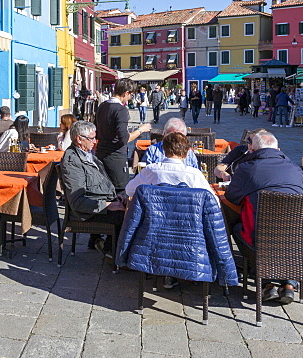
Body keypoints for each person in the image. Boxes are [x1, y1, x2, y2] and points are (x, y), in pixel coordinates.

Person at [223, 130, 303, 304]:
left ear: (253, 151)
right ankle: (289, 283)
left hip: (261, 239)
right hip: (298, 239)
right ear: (278, 149)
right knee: (283, 235)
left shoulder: (247, 169)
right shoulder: (296, 169)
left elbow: (232, 197)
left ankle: (267, 283)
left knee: (239, 228)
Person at [124, 131, 213, 288]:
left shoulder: (151, 170)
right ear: (187, 153)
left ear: (163, 150)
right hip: (188, 233)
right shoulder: (194, 175)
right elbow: (213, 203)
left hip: (154, 230)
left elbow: (130, 190)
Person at [58, 120, 125, 256]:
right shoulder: (72, 162)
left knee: (129, 206)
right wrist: (107, 205)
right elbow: (77, 202)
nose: (95, 141)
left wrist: (113, 197)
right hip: (86, 212)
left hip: (97, 202)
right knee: (126, 216)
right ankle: (111, 251)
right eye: (92, 138)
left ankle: (106, 245)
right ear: (79, 139)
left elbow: (97, 183)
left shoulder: (87, 155)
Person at [95, 78, 151, 191]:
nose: (130, 98)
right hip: (115, 156)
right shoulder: (120, 110)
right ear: (126, 93)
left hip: (100, 153)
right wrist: (141, 130)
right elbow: (124, 138)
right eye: (130, 95)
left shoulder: (102, 106)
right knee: (120, 191)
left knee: (103, 190)